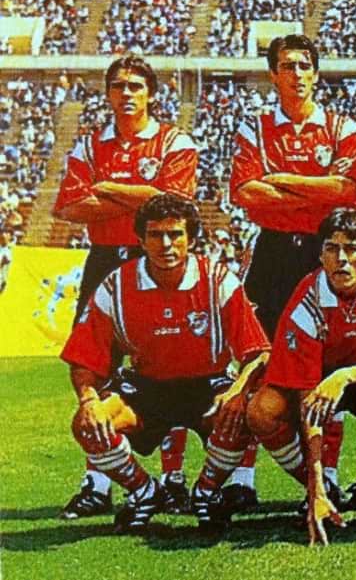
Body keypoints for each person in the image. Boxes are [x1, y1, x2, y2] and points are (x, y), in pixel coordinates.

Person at [61, 194, 270, 533]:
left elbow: (258, 352)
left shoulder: (218, 280)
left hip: (208, 383)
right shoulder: (116, 286)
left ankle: (206, 493)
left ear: (192, 239)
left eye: (175, 234)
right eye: (156, 235)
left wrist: (239, 391)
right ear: (141, 240)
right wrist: (88, 399)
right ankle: (146, 493)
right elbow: (84, 356)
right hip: (147, 386)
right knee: (89, 425)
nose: (166, 244)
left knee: (243, 414)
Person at [54, 55, 199, 520]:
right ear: (108, 93)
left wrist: (107, 187)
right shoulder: (89, 145)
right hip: (103, 260)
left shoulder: (174, 141)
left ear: (151, 93)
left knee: (171, 362)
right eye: (118, 85)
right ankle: (98, 482)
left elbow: (175, 204)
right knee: (95, 366)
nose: (127, 93)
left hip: (156, 258)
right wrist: (142, 192)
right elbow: (69, 207)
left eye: (136, 85)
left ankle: (173, 479)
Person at [231, 34, 356, 502]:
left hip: (321, 251)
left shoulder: (341, 127)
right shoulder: (254, 128)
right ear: (273, 74)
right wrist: (315, 188)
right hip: (272, 254)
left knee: (328, 360)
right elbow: (246, 192)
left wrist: (281, 182)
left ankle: (328, 475)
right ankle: (242, 477)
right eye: (287, 66)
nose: (297, 74)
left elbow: (346, 191)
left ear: (317, 73)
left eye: (305, 65)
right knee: (256, 359)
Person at [245, 208, 356, 545]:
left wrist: (344, 376)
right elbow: (306, 395)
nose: (341, 259)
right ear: (320, 255)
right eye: (331, 248)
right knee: (261, 410)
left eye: (351, 248)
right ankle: (321, 489)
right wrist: (315, 482)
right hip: (318, 380)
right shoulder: (307, 298)